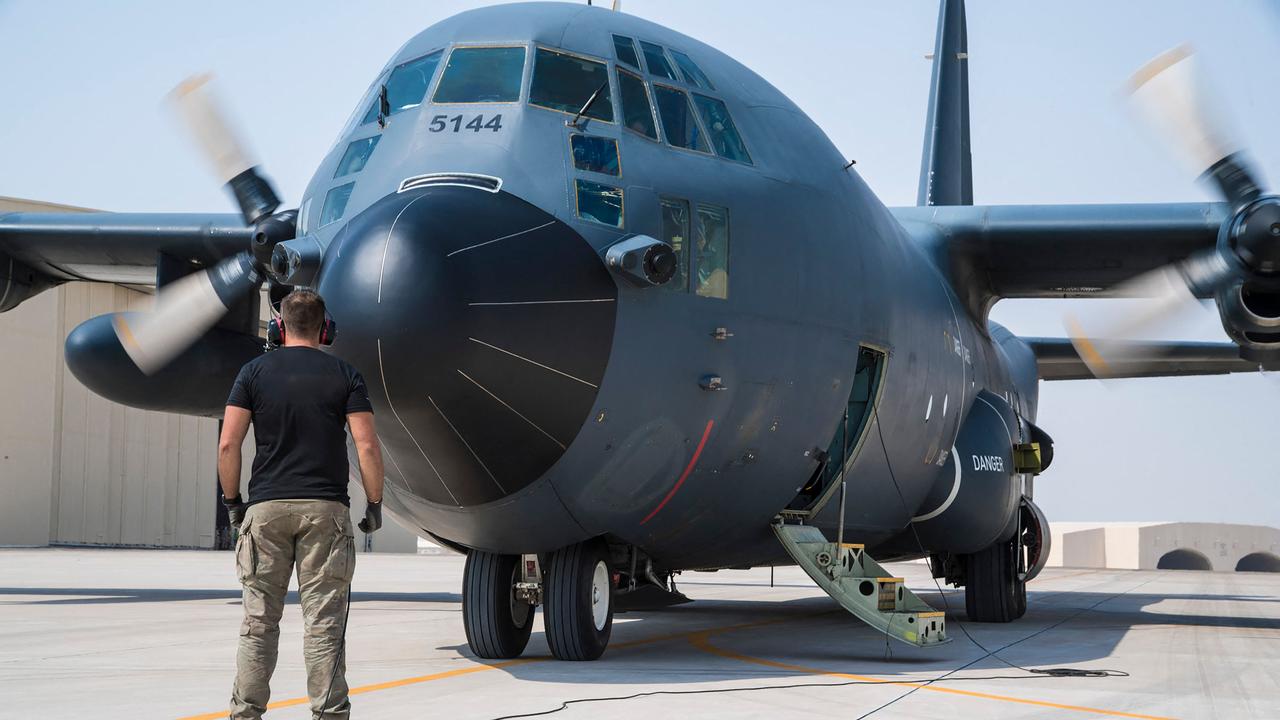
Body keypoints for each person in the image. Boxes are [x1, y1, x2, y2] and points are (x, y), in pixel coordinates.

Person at [217, 288, 384, 720]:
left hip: (266, 509)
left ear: (279, 325)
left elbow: (228, 444)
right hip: (325, 511)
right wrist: (375, 503)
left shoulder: (252, 372)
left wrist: (234, 504)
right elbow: (366, 445)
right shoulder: (346, 375)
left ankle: (245, 714)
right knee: (323, 626)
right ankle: (328, 714)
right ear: (325, 328)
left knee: (258, 624)